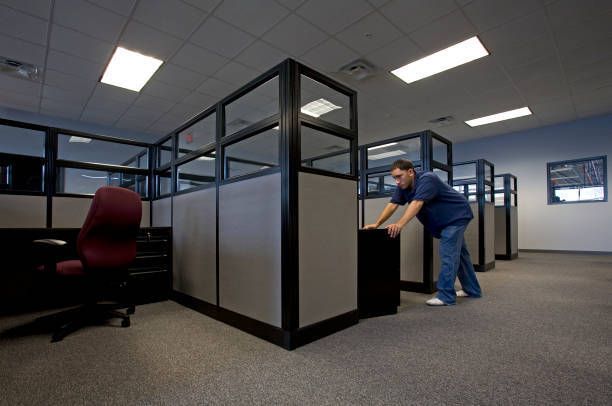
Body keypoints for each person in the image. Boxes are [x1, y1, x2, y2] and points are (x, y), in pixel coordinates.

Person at [363, 159, 482, 306]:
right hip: (445, 221)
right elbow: (392, 205)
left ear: (411, 172)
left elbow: (417, 203)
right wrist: (377, 223)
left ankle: (446, 296)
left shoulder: (428, 179)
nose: (397, 181)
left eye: (399, 176)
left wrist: (400, 224)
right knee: (461, 255)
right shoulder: (403, 186)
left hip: (456, 217)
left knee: (448, 254)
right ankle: (472, 289)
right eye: (394, 178)